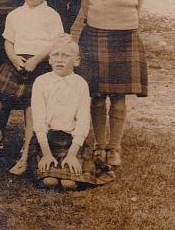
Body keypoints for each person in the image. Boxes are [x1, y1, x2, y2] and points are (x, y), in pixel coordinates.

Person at [76, 0, 147, 168]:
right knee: (96, 95)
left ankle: (114, 147)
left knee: (118, 96)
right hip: (96, 35)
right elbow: (84, 7)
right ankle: (99, 145)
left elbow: (137, 5)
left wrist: (126, 25)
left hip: (125, 36)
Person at [0, 0, 64, 174]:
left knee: (32, 105)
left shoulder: (51, 15)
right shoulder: (15, 14)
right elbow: (8, 41)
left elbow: (54, 44)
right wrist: (14, 57)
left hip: (41, 64)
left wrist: (36, 59)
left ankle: (26, 152)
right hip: (17, 61)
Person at [31, 35, 115, 189]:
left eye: (65, 55)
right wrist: (47, 154)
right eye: (55, 55)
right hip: (47, 141)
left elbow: (83, 122)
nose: (59, 59)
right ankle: (51, 167)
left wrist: (71, 154)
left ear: (76, 61)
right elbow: (38, 120)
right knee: (49, 181)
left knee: (68, 183)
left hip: (72, 142)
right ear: (49, 59)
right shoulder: (41, 82)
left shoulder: (81, 84)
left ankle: (72, 170)